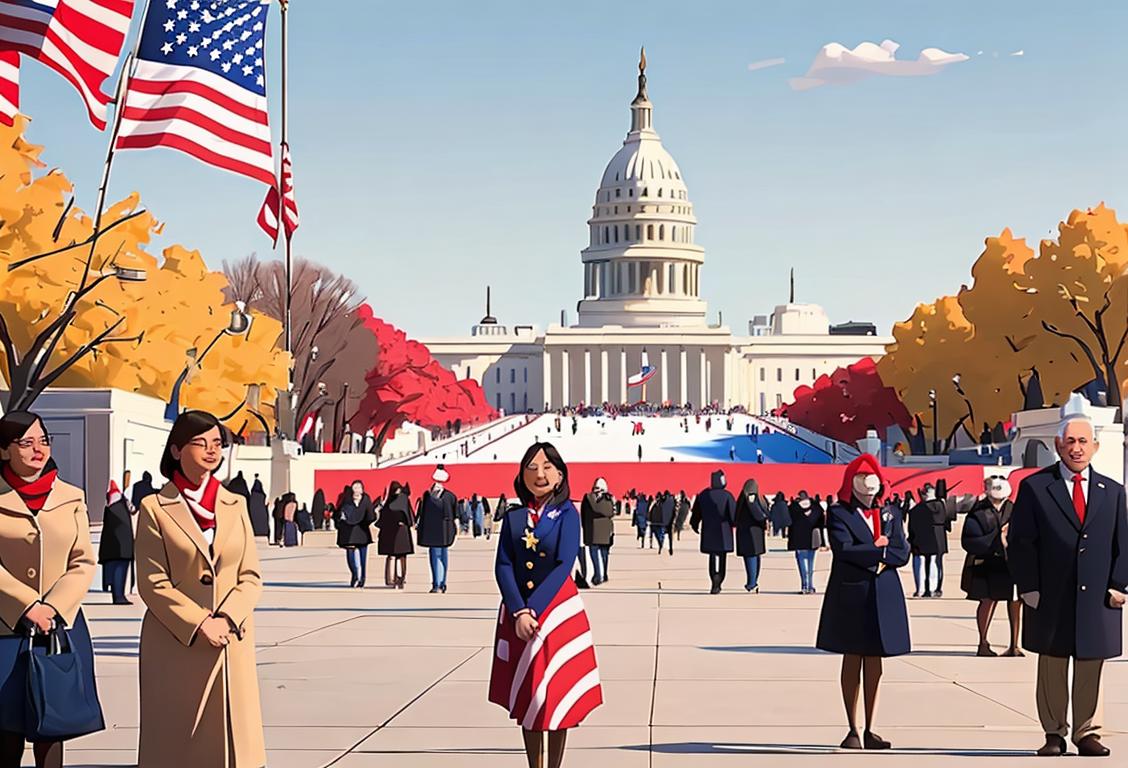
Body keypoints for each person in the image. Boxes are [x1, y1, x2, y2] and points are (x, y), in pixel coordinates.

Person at [135, 410, 265, 767]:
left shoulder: (234, 504)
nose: (211, 450)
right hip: (177, 642)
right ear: (176, 450)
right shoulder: (155, 508)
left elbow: (250, 574)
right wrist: (199, 621)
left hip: (229, 639)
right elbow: (151, 581)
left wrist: (227, 617)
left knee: (232, 747)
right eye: (201, 442)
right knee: (180, 746)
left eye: (217, 443)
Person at [1008, 399, 1127, 757]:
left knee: (1091, 664)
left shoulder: (1113, 492)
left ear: (1095, 446)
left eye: (1083, 441)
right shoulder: (1036, 488)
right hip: (1050, 595)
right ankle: (1054, 733)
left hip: (1098, 596)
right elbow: (1021, 542)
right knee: (1053, 664)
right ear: (1058, 445)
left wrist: (1119, 585)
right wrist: (1028, 586)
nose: (1076, 448)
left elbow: (1123, 542)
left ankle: (1087, 731)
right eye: (1070, 441)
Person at [488, 442, 602, 768]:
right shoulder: (514, 517)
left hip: (556, 611)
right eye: (532, 467)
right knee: (529, 696)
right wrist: (518, 610)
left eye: (547, 467)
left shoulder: (568, 514)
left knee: (556, 692)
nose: (540, 474)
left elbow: (565, 563)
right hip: (518, 612)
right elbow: (503, 565)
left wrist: (533, 609)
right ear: (522, 474)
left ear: (560, 473)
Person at [0, 411, 102, 768]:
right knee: (5, 729)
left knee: (53, 725)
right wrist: (28, 604)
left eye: (43, 440)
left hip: (58, 629)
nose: (37, 449)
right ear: (4, 450)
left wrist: (53, 608)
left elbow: (83, 561)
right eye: (25, 442)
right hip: (5, 629)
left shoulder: (72, 496)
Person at [816, 453, 910, 751]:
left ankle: (872, 727)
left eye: (873, 479)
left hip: (884, 591)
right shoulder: (839, 513)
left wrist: (876, 552)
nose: (869, 486)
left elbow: (902, 551)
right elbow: (843, 550)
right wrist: (877, 550)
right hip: (852, 593)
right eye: (862, 479)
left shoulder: (891, 513)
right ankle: (852, 727)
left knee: (876, 659)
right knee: (852, 657)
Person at [960, 475, 1022, 657]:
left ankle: (1014, 644)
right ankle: (983, 642)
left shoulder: (1015, 509)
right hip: (986, 563)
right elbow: (969, 541)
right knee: (987, 600)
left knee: (1015, 601)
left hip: (1010, 563)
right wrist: (998, 537)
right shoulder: (977, 511)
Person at [690, 469, 736, 594]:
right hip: (724, 531)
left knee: (712, 556)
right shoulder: (727, 496)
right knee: (722, 557)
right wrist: (735, 524)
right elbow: (733, 515)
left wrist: (695, 525)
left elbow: (696, 514)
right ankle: (719, 580)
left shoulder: (703, 495)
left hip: (709, 530)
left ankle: (713, 579)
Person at [416, 466, 458, 593]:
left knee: (438, 555)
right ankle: (439, 582)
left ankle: (439, 583)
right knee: (438, 555)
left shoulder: (444, 496)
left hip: (441, 530)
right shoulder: (444, 496)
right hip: (436, 530)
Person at [99, 480, 135, 605]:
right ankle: (119, 596)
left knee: (115, 573)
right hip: (122, 549)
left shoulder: (110, 509)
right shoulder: (120, 507)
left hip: (113, 549)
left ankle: (117, 595)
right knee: (120, 572)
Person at [337, 481, 375, 587]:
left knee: (363, 557)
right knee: (350, 556)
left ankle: (362, 577)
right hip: (349, 532)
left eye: (359, 487)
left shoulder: (366, 500)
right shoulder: (347, 500)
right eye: (355, 487)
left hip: (362, 531)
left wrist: (367, 521)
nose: (357, 489)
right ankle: (354, 574)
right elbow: (339, 514)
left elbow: (370, 515)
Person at [908, 485, 944, 598]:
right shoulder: (940, 505)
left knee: (920, 564)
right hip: (934, 538)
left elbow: (911, 528)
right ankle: (931, 588)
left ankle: (921, 588)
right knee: (933, 563)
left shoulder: (915, 510)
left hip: (919, 540)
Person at [377, 481, 414, 589]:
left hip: (394, 532)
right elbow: (409, 516)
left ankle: (392, 579)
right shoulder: (403, 499)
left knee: (392, 556)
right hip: (401, 531)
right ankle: (398, 578)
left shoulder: (390, 501)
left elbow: (383, 518)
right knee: (400, 556)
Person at [788, 490, 826, 595]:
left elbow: (788, 521)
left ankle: (804, 585)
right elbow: (822, 522)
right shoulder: (816, 507)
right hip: (812, 539)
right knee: (810, 562)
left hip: (798, 538)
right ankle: (810, 585)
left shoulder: (793, 508)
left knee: (801, 563)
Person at [735, 478, 769, 593]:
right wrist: (764, 519)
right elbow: (757, 513)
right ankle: (753, 581)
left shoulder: (742, 499)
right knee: (755, 556)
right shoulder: (753, 497)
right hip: (755, 532)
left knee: (750, 557)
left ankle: (752, 582)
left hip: (747, 532)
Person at [581, 478, 614, 585]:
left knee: (603, 554)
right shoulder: (591, 498)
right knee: (595, 553)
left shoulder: (594, 498)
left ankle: (602, 574)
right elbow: (584, 514)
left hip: (602, 530)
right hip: (594, 530)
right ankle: (598, 574)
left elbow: (610, 512)